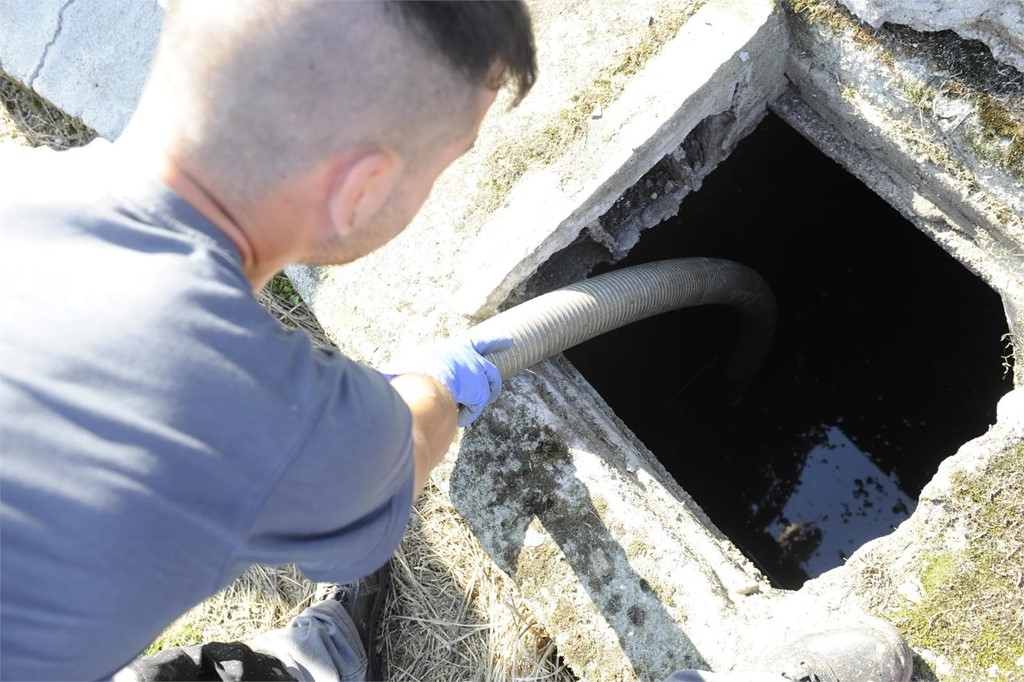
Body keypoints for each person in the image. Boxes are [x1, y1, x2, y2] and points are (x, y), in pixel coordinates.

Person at [0, 2, 913, 681]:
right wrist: (438, 381)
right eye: (447, 163)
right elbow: (407, 444)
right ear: (359, 189)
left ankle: (296, 669)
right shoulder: (271, 418)